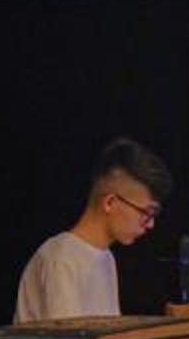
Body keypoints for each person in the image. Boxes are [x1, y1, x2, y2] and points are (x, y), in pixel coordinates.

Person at [13, 139, 171, 325]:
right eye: (146, 213)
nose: (150, 224)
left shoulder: (106, 257)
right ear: (110, 203)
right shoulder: (61, 257)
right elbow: (69, 338)